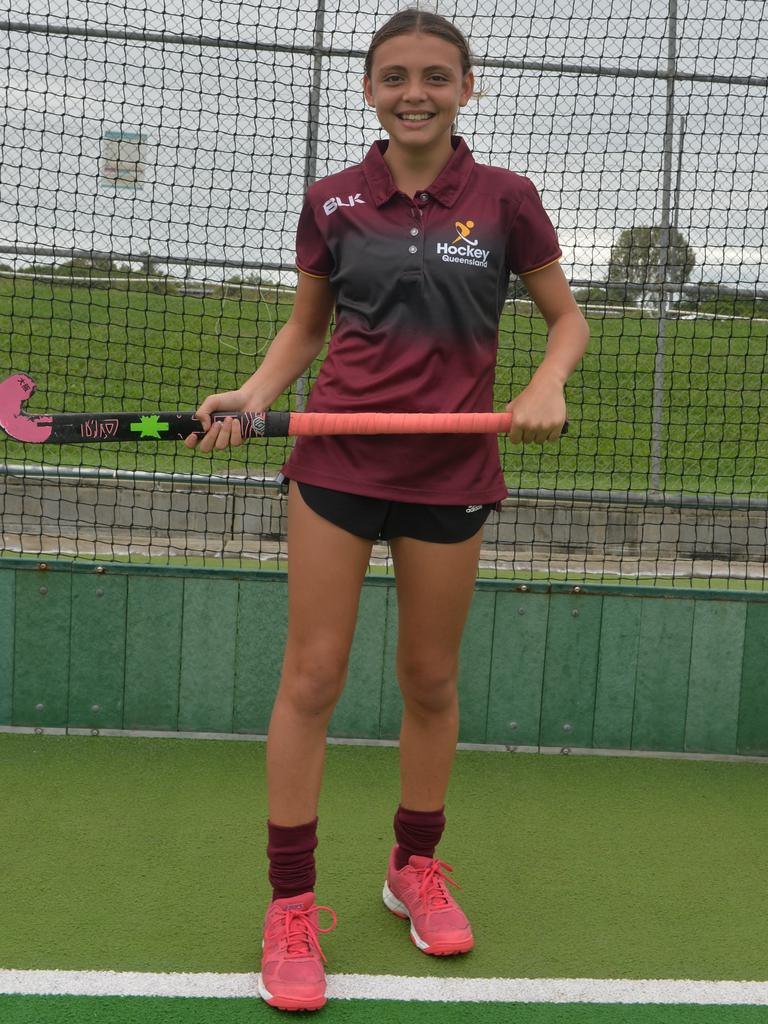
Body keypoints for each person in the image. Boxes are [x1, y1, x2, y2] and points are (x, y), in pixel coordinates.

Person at [185, 7, 589, 1012]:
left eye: (437, 76)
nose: (416, 91)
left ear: (467, 87)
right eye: (396, 75)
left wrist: (549, 383)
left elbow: (567, 317)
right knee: (313, 674)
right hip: (336, 460)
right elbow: (307, 326)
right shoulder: (334, 199)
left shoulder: (505, 199)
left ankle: (414, 866)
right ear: (370, 89)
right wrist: (256, 393)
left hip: (452, 468)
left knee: (430, 676)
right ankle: (290, 905)